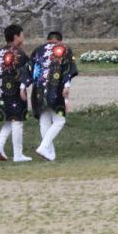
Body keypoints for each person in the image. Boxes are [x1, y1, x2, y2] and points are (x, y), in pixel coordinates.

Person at [27, 30, 78, 162]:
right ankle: (44, 147)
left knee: (44, 120)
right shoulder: (64, 49)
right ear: (60, 40)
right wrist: (67, 85)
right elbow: (68, 69)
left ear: (48, 39)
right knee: (60, 121)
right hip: (55, 88)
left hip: (38, 89)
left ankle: (50, 153)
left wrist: (23, 86)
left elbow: (29, 69)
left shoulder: (38, 50)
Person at [0, 24, 31, 162]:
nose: (23, 37)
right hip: (14, 90)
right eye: (22, 34)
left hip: (0, 89)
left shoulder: (0, 52)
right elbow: (25, 72)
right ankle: (18, 154)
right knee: (17, 121)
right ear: (16, 36)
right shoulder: (19, 53)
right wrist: (23, 87)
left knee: (10, 119)